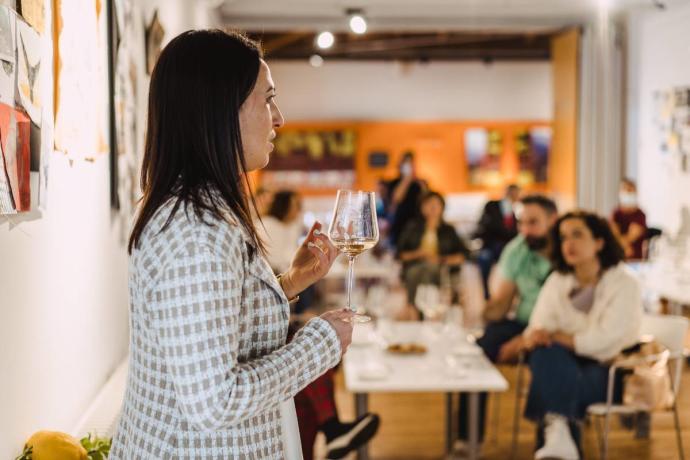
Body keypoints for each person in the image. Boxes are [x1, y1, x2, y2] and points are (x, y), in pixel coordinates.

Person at [111, 30, 354, 459]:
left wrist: (289, 281)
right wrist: (321, 344)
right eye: (267, 99)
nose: (279, 118)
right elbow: (214, 401)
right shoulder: (196, 233)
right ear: (220, 110)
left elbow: (218, 325)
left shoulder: (202, 211)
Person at [259, 191, 381, 459]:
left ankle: (332, 430)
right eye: (296, 204)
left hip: (282, 308)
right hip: (278, 322)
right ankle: (333, 429)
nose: (298, 210)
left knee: (309, 385)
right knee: (312, 364)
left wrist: (292, 280)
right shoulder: (259, 226)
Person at [522, 211, 642, 459]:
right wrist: (544, 336)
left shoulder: (624, 283)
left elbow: (604, 342)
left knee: (548, 370)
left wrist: (556, 336)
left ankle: (558, 432)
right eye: (564, 237)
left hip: (610, 374)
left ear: (599, 242)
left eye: (577, 235)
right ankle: (561, 437)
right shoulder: (558, 280)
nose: (569, 243)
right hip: (564, 364)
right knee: (546, 355)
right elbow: (538, 327)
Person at [458, 194, 558, 446]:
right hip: (523, 322)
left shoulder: (568, 250)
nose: (525, 230)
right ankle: (468, 439)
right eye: (521, 222)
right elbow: (501, 303)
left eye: (533, 222)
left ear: (553, 220)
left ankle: (547, 446)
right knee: (477, 351)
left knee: (547, 362)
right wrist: (478, 311)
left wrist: (525, 341)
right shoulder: (518, 249)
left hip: (558, 330)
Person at [396, 191, 469, 319]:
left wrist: (440, 259)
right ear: (422, 207)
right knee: (419, 270)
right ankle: (426, 310)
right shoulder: (412, 228)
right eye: (428, 204)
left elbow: (463, 255)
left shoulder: (449, 230)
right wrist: (418, 254)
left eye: (436, 204)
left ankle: (415, 309)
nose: (432, 208)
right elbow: (400, 255)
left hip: (442, 269)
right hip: (416, 268)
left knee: (424, 270)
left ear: (442, 207)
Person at [474, 184, 521, 299]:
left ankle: (510, 294)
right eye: (515, 193)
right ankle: (486, 292)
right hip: (491, 245)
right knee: (484, 260)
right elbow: (486, 225)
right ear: (508, 193)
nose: (516, 196)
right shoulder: (492, 205)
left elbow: (513, 232)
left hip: (507, 247)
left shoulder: (513, 212)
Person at [386, 151, 426, 247]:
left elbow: (425, 201)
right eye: (406, 163)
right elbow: (396, 199)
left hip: (416, 226)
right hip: (399, 225)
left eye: (410, 163)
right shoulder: (394, 183)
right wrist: (407, 179)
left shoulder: (418, 184)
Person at [611, 178, 647, 260]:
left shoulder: (640, 215)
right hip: (618, 259)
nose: (628, 193)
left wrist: (622, 242)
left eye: (631, 191)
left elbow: (634, 234)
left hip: (636, 260)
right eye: (625, 191)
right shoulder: (616, 214)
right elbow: (613, 237)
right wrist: (626, 245)